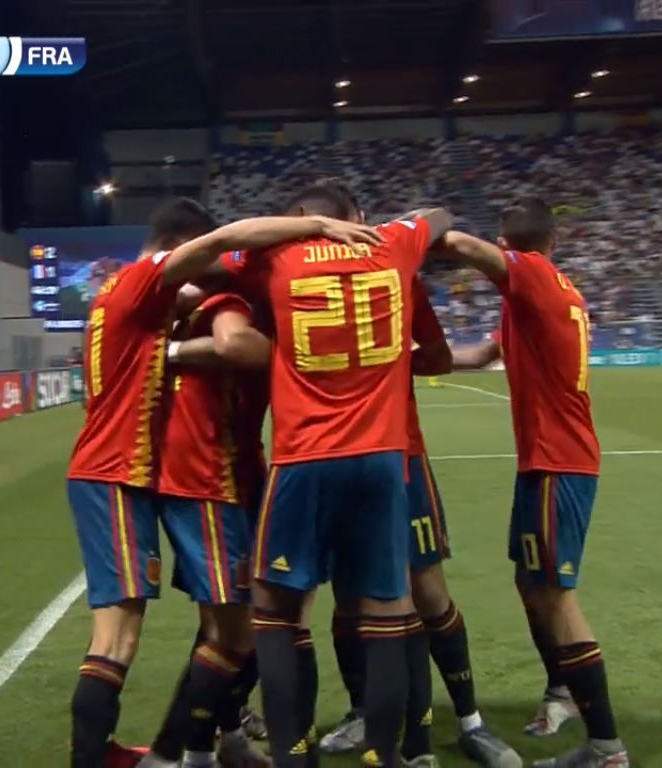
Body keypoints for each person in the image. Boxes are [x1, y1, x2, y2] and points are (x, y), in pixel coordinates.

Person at [64, 196, 382, 768]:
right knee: (146, 635)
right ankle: (157, 755)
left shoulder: (120, 295)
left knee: (203, 626)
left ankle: (188, 744)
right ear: (178, 249)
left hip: (128, 473)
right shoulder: (146, 282)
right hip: (126, 473)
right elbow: (216, 257)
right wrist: (316, 226)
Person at [235, 182, 451, 767]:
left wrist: (300, 230)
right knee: (386, 612)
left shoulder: (276, 254)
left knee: (276, 610)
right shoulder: (393, 245)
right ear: (355, 216)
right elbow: (438, 213)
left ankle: (292, 754)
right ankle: (386, 755)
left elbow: (219, 249)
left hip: (305, 456)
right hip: (383, 459)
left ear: (301, 217)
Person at [444, 198, 628, 768]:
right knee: (532, 585)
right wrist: (404, 357)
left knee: (554, 595)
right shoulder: (543, 292)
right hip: (544, 462)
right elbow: (476, 357)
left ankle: (606, 749)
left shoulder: (537, 278)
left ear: (511, 245)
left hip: (560, 461)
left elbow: (463, 247)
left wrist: (408, 236)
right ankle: (563, 692)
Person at [320, 267, 519, 767]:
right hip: (329, 458)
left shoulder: (388, 277)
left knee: (424, 589)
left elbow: (438, 354)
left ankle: (469, 721)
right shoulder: (301, 283)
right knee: (348, 594)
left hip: (399, 454)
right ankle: (364, 709)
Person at [140, 286, 275, 768]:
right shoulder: (228, 304)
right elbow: (233, 344)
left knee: (233, 624)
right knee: (238, 632)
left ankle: (222, 738)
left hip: (236, 479)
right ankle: (169, 754)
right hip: (209, 482)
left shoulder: (200, 312)